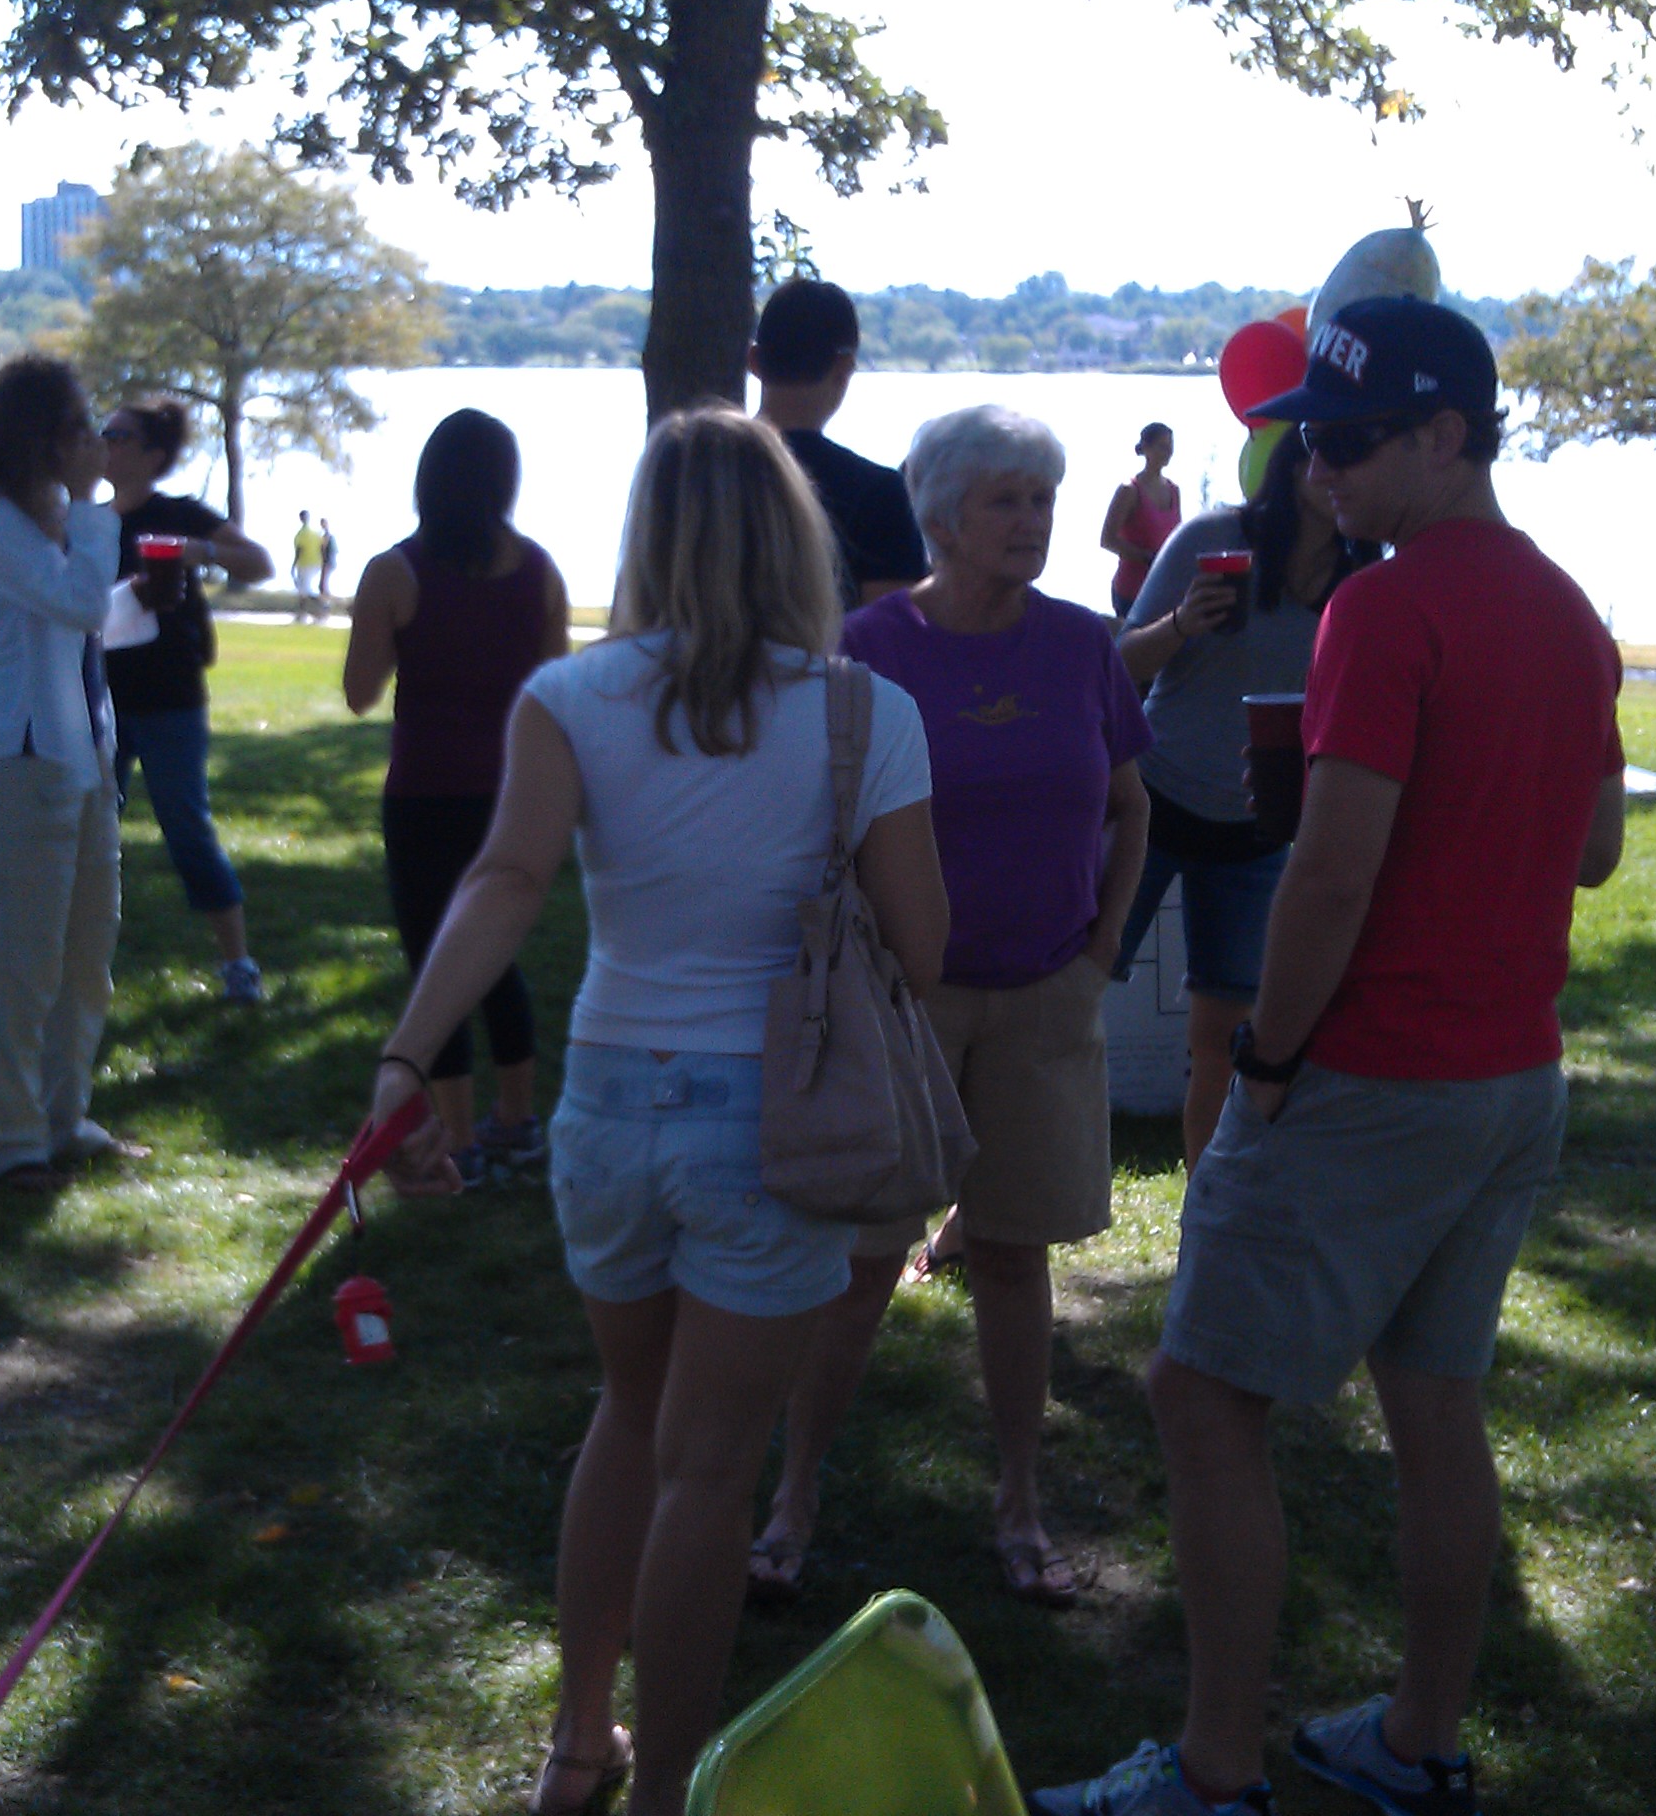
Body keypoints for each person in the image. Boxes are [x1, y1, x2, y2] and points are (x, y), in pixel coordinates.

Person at [1037, 298, 1628, 1816]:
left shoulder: (1386, 608)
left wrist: (1272, 1058)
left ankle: (1215, 1771)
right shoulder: (1570, 613)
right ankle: (1418, 1744)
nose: (1321, 468)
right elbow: (1595, 848)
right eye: (1309, 438)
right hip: (1514, 1078)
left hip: (1374, 1072)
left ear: (1448, 436)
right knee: (1434, 1403)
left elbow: (1331, 879)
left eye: (1353, 441)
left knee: (1199, 1396)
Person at [360, 407, 948, 1816]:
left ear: (648, 536)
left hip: (610, 1105)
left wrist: (405, 1058)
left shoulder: (570, 696)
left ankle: (578, 1744)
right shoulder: (867, 711)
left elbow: (504, 882)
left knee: (627, 1417)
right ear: (794, 539)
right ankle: (667, 1783)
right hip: (775, 1122)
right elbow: (923, 951)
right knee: (710, 1472)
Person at [752, 404, 1151, 1610]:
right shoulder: (868, 648)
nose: (1032, 522)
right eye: (1005, 501)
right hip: (898, 1004)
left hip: (1045, 996)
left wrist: (1100, 953)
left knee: (1015, 1258)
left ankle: (1020, 1502)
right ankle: (792, 1498)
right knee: (863, 1261)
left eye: (1042, 499)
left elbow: (1132, 807)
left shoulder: (1081, 644)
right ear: (941, 517)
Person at [1109, 431, 1380, 1163]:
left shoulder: (1363, 574)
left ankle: (1207, 1206)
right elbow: (1117, 667)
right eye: (1321, 454)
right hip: (1152, 801)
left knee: (1223, 1042)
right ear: (1290, 466)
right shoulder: (1213, 539)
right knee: (1068, 1003)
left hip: (1257, 827)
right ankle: (992, 1208)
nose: (1333, 471)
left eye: (1350, 456)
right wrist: (1182, 622)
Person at [342, 409, 572, 1181]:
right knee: (497, 956)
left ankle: (460, 1139)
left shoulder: (394, 571)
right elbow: (557, 689)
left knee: (434, 957)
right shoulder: (541, 572)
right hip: (511, 792)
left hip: (424, 795)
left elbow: (359, 692)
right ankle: (518, 1120)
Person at [0, 355, 142, 1187]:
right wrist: (93, 505)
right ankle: (7, 1139)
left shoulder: (51, 509)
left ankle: (63, 1115)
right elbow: (77, 601)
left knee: (87, 952)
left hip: (84, 751)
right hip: (22, 758)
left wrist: (140, 600)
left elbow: (85, 619)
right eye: (79, 426)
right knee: (22, 960)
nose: (93, 441)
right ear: (39, 433)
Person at [101, 400, 277, 1003]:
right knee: (90, 830)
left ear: (153, 455)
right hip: (98, 697)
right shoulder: (87, 520)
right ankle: (84, 960)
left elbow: (259, 563)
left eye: (118, 435)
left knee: (186, 828)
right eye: (102, 432)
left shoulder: (177, 514)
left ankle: (238, 965)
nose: (105, 442)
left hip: (170, 698)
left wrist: (200, 551)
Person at [749, 277, 927, 607]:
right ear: (844, 367)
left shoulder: (692, 473)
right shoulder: (878, 494)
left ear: (754, 361)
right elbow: (892, 627)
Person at [1102, 421, 1181, 614]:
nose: (1168, 452)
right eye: (1162, 446)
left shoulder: (1174, 490)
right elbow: (1107, 540)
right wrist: (1146, 557)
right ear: (1146, 448)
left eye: (1170, 447)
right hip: (1131, 592)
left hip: (1162, 590)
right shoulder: (1129, 490)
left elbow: (1176, 536)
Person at [290, 512, 327, 620]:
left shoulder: (301, 534)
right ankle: (302, 612)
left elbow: (299, 551)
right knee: (303, 590)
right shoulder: (316, 534)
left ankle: (322, 605)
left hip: (304, 563)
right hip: (316, 564)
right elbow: (322, 548)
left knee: (304, 590)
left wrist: (293, 565)